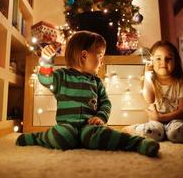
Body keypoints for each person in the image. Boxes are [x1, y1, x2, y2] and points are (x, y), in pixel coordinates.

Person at [16, 31, 159, 157]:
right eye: (100, 56)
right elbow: (45, 79)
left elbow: (105, 103)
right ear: (84, 55)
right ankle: (38, 137)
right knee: (62, 136)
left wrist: (100, 117)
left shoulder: (96, 82)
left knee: (103, 135)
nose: (102, 61)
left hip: (89, 127)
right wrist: (46, 61)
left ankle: (137, 143)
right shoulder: (62, 76)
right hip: (67, 126)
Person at [122, 40, 183, 143]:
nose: (163, 62)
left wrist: (161, 117)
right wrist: (147, 74)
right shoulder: (150, 80)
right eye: (158, 58)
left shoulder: (181, 82)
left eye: (169, 58)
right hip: (156, 123)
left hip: (177, 123)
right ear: (151, 61)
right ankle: (133, 129)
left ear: (176, 61)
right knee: (151, 133)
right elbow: (150, 99)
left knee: (176, 134)